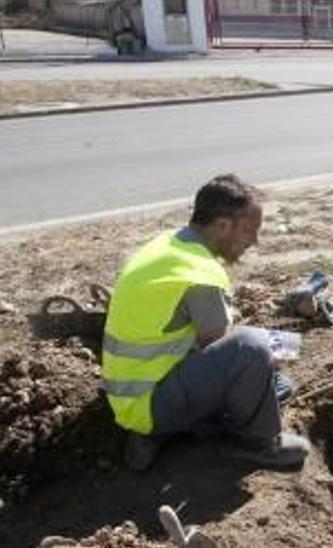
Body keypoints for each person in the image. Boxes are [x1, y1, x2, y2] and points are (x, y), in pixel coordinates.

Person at [102, 174, 310, 471]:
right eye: (250, 231)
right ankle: (257, 443)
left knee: (279, 382)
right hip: (150, 403)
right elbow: (221, 346)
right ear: (223, 225)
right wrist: (273, 349)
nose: (254, 241)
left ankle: (162, 433)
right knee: (251, 349)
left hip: (130, 395)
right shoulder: (202, 273)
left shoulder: (168, 244)